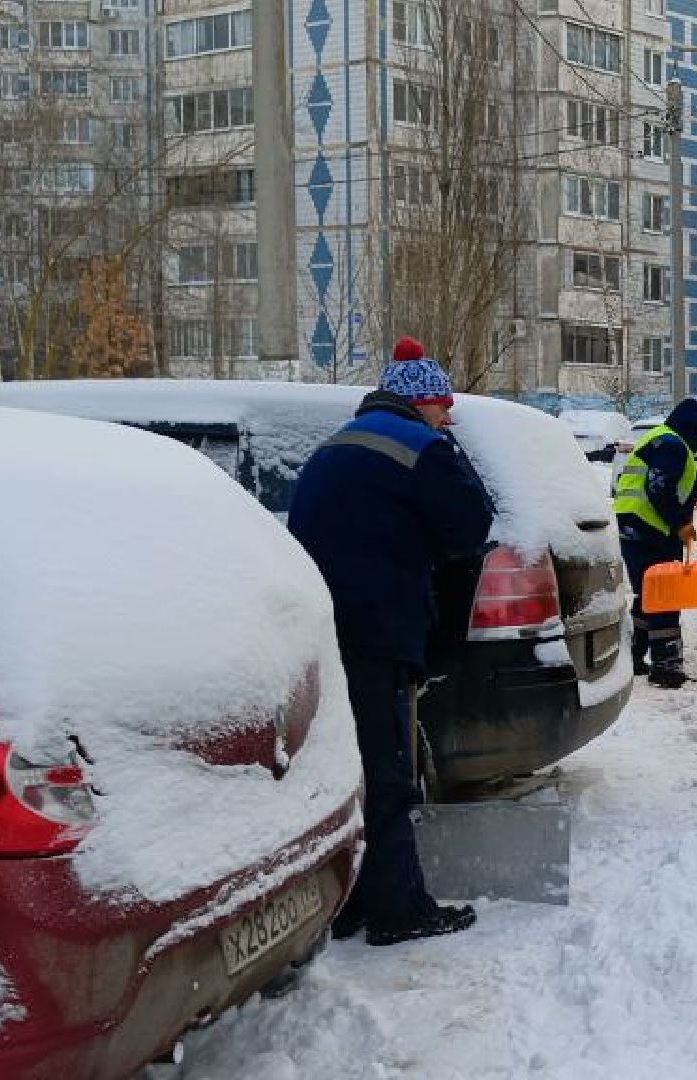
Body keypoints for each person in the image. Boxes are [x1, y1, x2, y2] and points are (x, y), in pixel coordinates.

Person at [288, 336, 493, 947]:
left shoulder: (335, 445)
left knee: (349, 765)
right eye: (444, 405)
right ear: (423, 402)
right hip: (377, 627)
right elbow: (472, 525)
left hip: (322, 628)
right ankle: (399, 909)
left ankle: (353, 899)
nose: (449, 416)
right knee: (388, 769)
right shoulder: (422, 447)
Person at [612, 397, 697, 688]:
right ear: (692, 426)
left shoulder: (658, 438)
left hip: (634, 526)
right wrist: (679, 523)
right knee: (666, 594)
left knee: (649, 594)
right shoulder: (673, 445)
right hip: (650, 528)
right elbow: (658, 486)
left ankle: (633, 656)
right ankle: (667, 667)